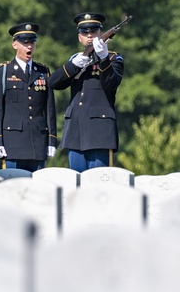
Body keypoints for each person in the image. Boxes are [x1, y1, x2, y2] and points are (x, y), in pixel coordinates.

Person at [49, 12, 125, 172]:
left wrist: (103, 57)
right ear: (79, 37)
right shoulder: (76, 59)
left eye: (94, 32)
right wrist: (74, 65)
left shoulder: (113, 59)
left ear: (101, 34)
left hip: (100, 132)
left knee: (99, 183)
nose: (90, 36)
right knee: (76, 184)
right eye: (85, 33)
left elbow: (111, 83)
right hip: (75, 131)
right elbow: (54, 83)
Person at [0, 22, 57, 172]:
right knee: (12, 189)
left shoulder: (42, 71)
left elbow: (49, 108)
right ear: (15, 45)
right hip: (12, 144)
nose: (29, 47)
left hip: (37, 143)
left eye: (32, 42)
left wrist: (51, 140)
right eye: (24, 43)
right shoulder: (3, 71)